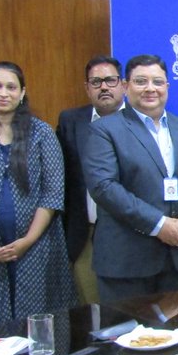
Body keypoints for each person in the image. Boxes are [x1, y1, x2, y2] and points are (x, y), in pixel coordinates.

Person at [83, 55, 178, 301]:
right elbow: (104, 187)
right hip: (126, 264)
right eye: (141, 81)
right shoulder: (103, 130)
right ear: (126, 86)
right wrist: (160, 225)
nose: (150, 88)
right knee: (125, 338)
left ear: (167, 87)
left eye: (157, 82)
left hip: (177, 258)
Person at [0, 61, 75, 327]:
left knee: (39, 322)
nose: (4, 93)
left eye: (11, 87)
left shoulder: (42, 133)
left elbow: (52, 194)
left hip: (38, 246)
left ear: (22, 92)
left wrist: (27, 240)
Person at [57, 56, 125, 304]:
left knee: (130, 310)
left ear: (123, 85)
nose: (104, 87)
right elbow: (61, 176)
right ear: (87, 88)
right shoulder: (70, 122)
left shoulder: (141, 121)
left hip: (130, 234)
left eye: (110, 80)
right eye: (96, 82)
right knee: (91, 309)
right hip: (86, 233)